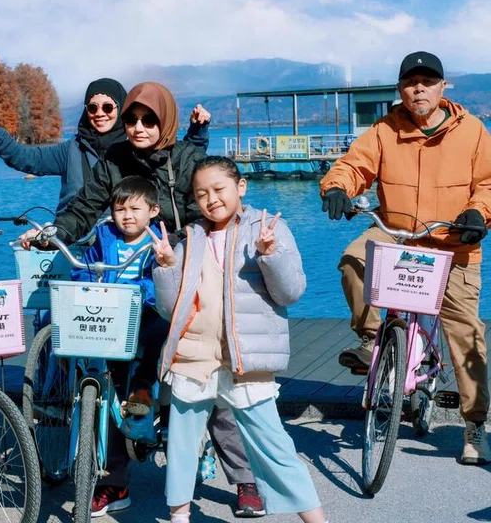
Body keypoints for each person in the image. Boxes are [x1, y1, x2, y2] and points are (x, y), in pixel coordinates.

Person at [22, 82, 262, 518]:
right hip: (130, 284)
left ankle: (244, 478)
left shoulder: (188, 160)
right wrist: (55, 233)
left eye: (147, 119)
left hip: (187, 274)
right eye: (130, 119)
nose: (136, 126)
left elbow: (208, 210)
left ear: (165, 121)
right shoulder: (114, 159)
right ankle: (113, 482)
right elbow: (85, 205)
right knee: (103, 368)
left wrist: (179, 246)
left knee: (206, 372)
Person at [320, 51, 490, 465]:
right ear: (400, 89)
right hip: (398, 232)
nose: (419, 88)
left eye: (428, 81)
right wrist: (337, 187)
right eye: (411, 82)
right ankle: (371, 339)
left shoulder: (472, 132)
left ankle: (475, 425)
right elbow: (353, 166)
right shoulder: (384, 130)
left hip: (452, 240)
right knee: (353, 261)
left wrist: (479, 212)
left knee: (465, 332)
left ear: (443, 87)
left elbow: (489, 183)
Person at [150, 156, 327, 523]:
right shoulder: (190, 239)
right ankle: (179, 517)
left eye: (219, 189)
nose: (211, 199)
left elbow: (291, 292)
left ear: (240, 187)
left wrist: (270, 254)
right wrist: (167, 266)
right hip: (194, 355)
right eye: (202, 194)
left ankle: (317, 520)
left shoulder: (267, 228)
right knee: (182, 446)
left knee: (274, 446)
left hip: (245, 358)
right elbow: (171, 310)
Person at [0, 77, 211, 213]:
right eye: (92, 107)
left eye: (108, 107)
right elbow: (23, 157)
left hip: (122, 240)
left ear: (121, 109)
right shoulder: (70, 150)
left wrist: (197, 131)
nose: (100, 113)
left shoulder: (136, 147)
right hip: (74, 238)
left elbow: (176, 162)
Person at [70, 175, 164, 417]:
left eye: (135, 209)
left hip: (143, 310)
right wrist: (89, 286)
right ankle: (115, 394)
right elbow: (85, 267)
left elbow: (159, 277)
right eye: (120, 209)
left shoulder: (157, 243)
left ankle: (142, 386)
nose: (127, 216)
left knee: (159, 330)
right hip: (108, 311)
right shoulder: (106, 238)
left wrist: (139, 292)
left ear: (153, 210)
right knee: (109, 354)